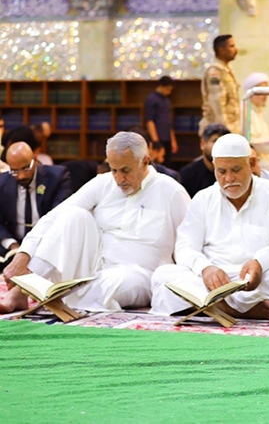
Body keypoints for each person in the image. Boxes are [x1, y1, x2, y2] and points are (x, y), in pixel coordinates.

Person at [0, 132, 190, 313]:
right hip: (94, 267)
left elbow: (188, 244)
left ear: (145, 162)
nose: (119, 179)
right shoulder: (103, 183)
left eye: (125, 171)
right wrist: (23, 255)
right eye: (114, 170)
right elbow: (54, 216)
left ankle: (57, 293)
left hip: (139, 275)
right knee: (73, 215)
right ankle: (22, 292)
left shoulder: (171, 192)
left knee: (120, 282)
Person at [150, 134, 269, 320]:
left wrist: (260, 262)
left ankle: (209, 306)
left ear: (251, 163)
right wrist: (205, 268)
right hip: (213, 281)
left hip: (258, 278)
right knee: (163, 274)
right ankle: (235, 309)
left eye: (236, 170)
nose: (229, 178)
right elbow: (185, 246)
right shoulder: (203, 199)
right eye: (221, 171)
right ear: (214, 168)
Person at [0, 142, 72, 259]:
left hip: (47, 245)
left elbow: (59, 217)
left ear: (35, 159)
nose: (21, 176)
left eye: (25, 169)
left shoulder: (57, 177)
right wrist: (13, 245)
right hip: (14, 246)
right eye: (14, 171)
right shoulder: (2, 183)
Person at [199, 35, 240, 135]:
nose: (236, 50)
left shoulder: (227, 70)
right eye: (232, 46)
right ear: (221, 50)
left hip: (232, 127)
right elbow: (216, 101)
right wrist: (223, 130)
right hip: (218, 129)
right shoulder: (214, 72)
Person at [179, 123, 230, 198]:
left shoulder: (232, 174)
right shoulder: (187, 175)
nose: (220, 146)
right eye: (215, 141)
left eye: (224, 143)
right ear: (202, 144)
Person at [144, 76, 178, 166]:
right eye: (167, 89)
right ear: (161, 86)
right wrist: (155, 141)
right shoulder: (151, 99)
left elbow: (169, 122)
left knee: (168, 163)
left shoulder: (167, 101)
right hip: (158, 137)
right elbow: (150, 121)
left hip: (167, 137)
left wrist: (173, 140)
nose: (169, 92)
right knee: (158, 163)